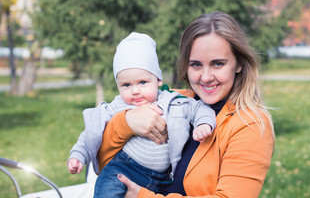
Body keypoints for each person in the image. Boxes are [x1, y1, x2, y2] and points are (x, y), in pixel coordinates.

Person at [98, 11, 275, 198]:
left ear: (238, 64)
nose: (206, 77)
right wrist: (126, 123)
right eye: (196, 65)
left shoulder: (248, 125)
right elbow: (103, 164)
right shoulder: (172, 101)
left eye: (217, 64)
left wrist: (142, 196)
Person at [67, 32, 216, 198]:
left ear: (158, 79)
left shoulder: (174, 102)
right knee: (108, 191)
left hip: (161, 179)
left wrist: (204, 124)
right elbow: (92, 131)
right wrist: (78, 155)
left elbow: (199, 108)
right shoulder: (120, 105)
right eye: (126, 85)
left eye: (143, 82)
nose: (135, 90)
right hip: (124, 168)